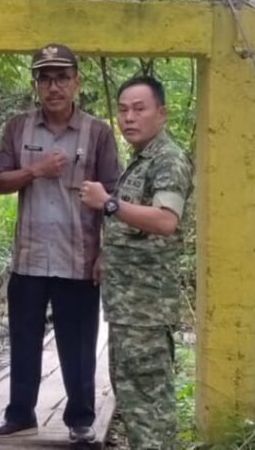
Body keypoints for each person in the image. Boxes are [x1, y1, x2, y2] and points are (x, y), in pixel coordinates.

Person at [0, 44, 120, 447]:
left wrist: (105, 253)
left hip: (78, 257)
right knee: (23, 339)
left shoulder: (98, 132)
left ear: (77, 82)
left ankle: (80, 419)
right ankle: (20, 414)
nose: (54, 86)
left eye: (62, 77)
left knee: (78, 343)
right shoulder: (17, 127)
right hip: (29, 256)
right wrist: (35, 170)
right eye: (45, 78)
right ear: (36, 85)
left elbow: (115, 195)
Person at [79, 74, 193, 450]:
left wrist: (108, 203)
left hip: (146, 308)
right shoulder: (141, 160)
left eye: (139, 109)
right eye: (123, 110)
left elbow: (165, 220)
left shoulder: (167, 160)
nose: (129, 117)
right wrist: (106, 256)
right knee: (132, 399)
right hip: (128, 306)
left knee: (149, 405)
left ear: (161, 113)